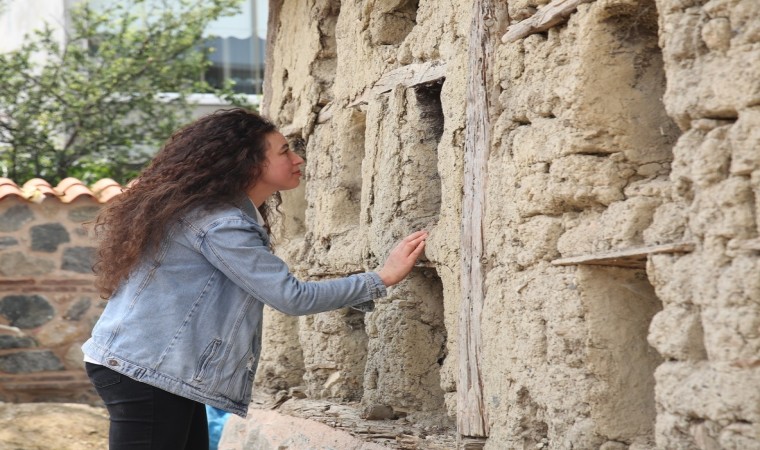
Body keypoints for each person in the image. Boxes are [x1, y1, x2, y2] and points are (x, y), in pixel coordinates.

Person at [82, 108, 427, 449]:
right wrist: (381, 277)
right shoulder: (220, 225)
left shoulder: (220, 216)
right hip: (145, 370)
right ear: (250, 164)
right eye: (284, 152)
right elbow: (291, 297)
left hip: (152, 369)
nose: (298, 159)